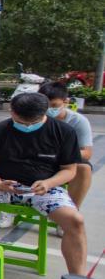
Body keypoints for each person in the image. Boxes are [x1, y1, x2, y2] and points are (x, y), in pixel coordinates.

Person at [0, 92, 87, 275]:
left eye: (32, 122)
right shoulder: (1, 130)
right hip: (2, 186)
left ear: (44, 113)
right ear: (12, 112)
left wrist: (48, 183)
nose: (27, 126)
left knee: (75, 221)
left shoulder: (63, 132)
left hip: (45, 189)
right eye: (21, 122)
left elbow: (70, 170)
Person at [39, 82, 94, 210]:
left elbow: (86, 153)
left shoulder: (78, 121)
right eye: (45, 105)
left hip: (64, 162)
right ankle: (9, 203)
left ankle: (71, 210)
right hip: (35, 159)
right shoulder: (33, 116)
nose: (49, 110)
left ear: (65, 101)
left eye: (54, 105)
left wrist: (62, 154)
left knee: (84, 168)